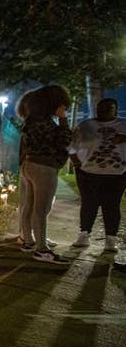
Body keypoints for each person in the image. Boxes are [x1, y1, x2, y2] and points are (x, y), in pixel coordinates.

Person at [16, 85, 72, 264]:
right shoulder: (44, 122)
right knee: (41, 209)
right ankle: (41, 250)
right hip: (43, 167)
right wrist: (63, 120)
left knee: (30, 206)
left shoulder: (32, 120)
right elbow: (63, 140)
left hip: (31, 164)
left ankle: (28, 241)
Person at [69, 97, 126, 252]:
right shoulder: (86, 125)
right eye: (101, 107)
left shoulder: (123, 124)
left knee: (112, 206)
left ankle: (110, 239)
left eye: (110, 107)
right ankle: (84, 234)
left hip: (117, 173)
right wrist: (77, 164)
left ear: (116, 109)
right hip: (88, 172)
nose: (105, 110)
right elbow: (72, 147)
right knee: (89, 204)